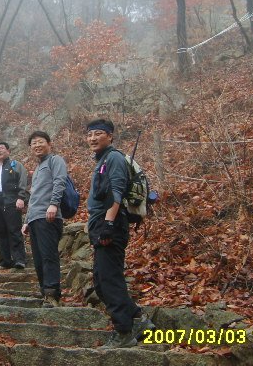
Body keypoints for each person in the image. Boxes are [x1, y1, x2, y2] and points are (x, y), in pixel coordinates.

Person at [86, 118, 155, 348]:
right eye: (89, 135)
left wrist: (108, 224)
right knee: (101, 280)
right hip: (103, 223)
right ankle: (137, 319)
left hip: (110, 224)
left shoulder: (113, 158)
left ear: (110, 136)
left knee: (108, 279)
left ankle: (124, 331)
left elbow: (115, 191)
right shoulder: (103, 159)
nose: (93, 138)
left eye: (98, 133)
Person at [21, 131, 67, 307]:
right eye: (33, 143)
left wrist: (54, 204)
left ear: (49, 143)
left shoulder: (56, 160)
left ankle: (52, 293)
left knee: (48, 256)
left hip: (48, 216)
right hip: (35, 218)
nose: (37, 145)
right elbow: (33, 197)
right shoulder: (38, 169)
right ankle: (45, 292)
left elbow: (60, 182)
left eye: (40, 142)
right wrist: (26, 220)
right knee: (39, 259)